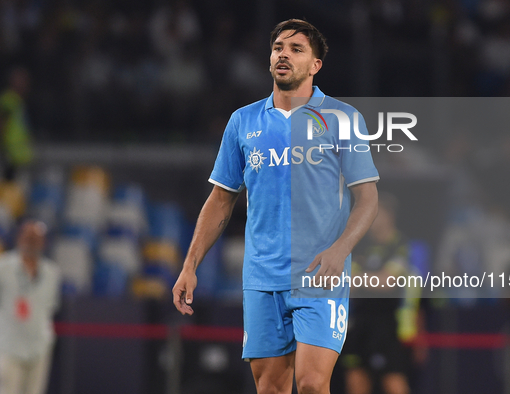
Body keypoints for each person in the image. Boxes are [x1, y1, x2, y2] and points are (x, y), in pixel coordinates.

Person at [172, 19, 379, 394]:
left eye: (296, 49)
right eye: (278, 47)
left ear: (315, 65)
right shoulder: (242, 121)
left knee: (314, 384)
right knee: (270, 388)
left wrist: (340, 249)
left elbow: (367, 198)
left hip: (320, 276)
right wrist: (190, 266)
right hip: (262, 278)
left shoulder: (343, 118)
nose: (283, 53)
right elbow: (220, 200)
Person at [341, 194, 423, 394]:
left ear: (389, 216)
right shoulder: (361, 245)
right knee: (355, 380)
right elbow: (345, 284)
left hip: (389, 325)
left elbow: (386, 282)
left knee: (393, 382)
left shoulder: (401, 245)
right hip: (359, 322)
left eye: (374, 215)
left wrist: (358, 277)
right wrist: (364, 279)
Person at [0, 220, 61, 394]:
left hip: (39, 347)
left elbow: (51, 308)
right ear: (19, 238)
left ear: (44, 242)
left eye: (36, 238)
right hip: (9, 346)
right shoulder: (3, 268)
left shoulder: (51, 272)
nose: (31, 241)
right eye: (28, 236)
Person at [0, 67, 34, 181]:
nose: (25, 83)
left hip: (19, 156)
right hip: (11, 155)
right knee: (9, 188)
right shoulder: (9, 99)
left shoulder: (18, 100)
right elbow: (2, 123)